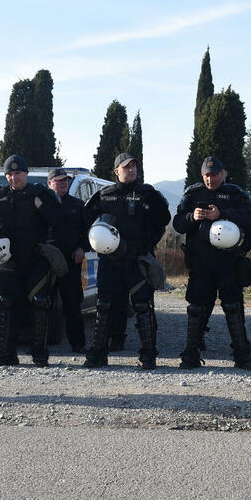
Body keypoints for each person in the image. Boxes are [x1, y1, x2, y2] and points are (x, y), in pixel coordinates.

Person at [83, 153, 171, 369]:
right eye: (126, 167)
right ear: (116, 171)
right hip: (110, 260)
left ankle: (149, 354)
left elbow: (164, 220)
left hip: (137, 259)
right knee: (104, 306)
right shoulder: (105, 195)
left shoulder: (148, 194)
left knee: (143, 305)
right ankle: (98, 353)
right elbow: (85, 221)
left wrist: (148, 242)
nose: (131, 170)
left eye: (134, 166)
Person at [0, 155, 63, 367]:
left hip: (36, 258)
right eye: (10, 174)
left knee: (40, 303)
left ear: (26, 174)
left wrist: (40, 205)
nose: (14, 178)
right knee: (6, 303)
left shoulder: (41, 194)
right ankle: (7, 352)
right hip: (9, 259)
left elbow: (58, 220)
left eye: (18, 173)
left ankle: (39, 352)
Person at [172, 156, 251, 370]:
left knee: (233, 306)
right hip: (201, 262)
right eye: (207, 175)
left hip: (228, 261)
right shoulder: (192, 195)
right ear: (202, 176)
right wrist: (193, 217)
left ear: (223, 173)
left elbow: (250, 218)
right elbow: (178, 224)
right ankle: (191, 354)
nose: (211, 179)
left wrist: (223, 214)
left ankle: (242, 355)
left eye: (215, 174)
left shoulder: (235, 195)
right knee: (196, 307)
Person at [48, 168, 88, 352]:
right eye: (59, 181)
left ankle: (78, 344)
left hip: (71, 261)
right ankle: (40, 344)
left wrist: (82, 248)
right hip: (46, 262)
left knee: (72, 304)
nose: (63, 183)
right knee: (42, 303)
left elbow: (87, 231)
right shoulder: (42, 204)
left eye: (65, 181)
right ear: (50, 184)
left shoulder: (78, 205)